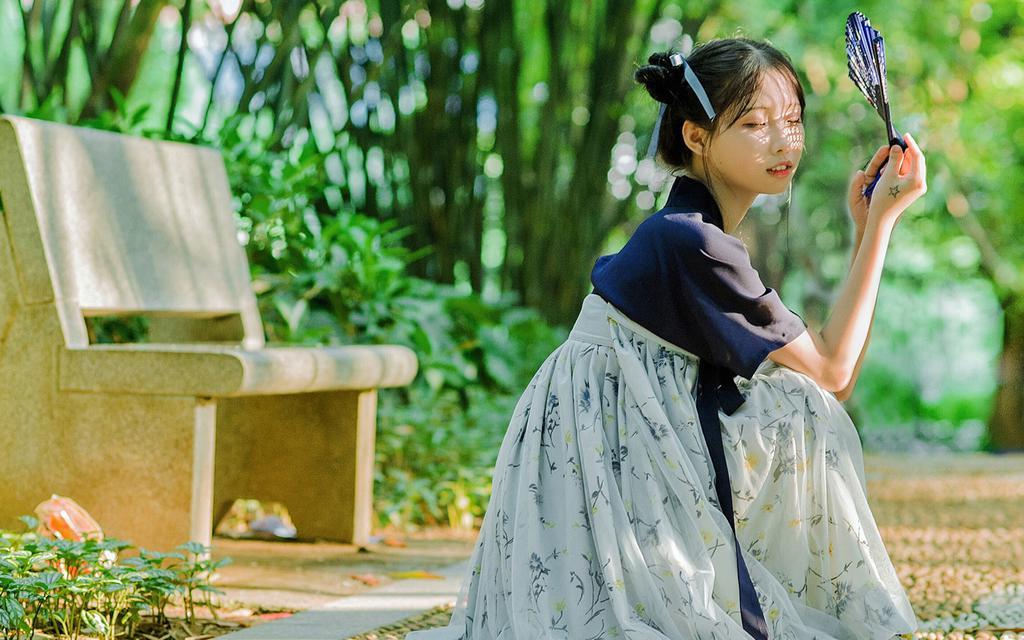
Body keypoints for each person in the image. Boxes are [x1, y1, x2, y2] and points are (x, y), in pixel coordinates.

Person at [406, 36, 927, 640]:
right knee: (805, 403)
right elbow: (832, 372)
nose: (785, 141)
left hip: (615, 431)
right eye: (755, 123)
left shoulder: (699, 232)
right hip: (603, 442)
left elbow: (830, 372)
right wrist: (883, 224)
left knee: (802, 400)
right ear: (695, 135)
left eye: (792, 120)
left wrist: (866, 228)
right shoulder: (695, 242)